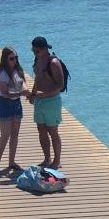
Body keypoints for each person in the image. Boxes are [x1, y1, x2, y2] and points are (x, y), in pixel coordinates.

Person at [28, 35, 67, 169]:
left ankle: (57, 161)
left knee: (52, 131)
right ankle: (47, 158)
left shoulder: (54, 63)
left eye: (37, 51)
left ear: (45, 49)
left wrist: (44, 95)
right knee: (41, 130)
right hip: (40, 101)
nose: (35, 53)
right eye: (33, 51)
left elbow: (60, 86)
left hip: (52, 102)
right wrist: (33, 93)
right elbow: (38, 79)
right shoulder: (37, 60)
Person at [0, 46, 27, 175]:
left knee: (15, 134)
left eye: (16, 58)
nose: (15, 61)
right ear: (5, 60)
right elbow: (5, 93)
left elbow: (23, 84)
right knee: (5, 134)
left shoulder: (17, 71)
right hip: (4, 104)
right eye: (12, 58)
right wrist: (21, 93)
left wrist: (26, 91)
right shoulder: (3, 74)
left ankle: (11, 161)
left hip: (16, 104)